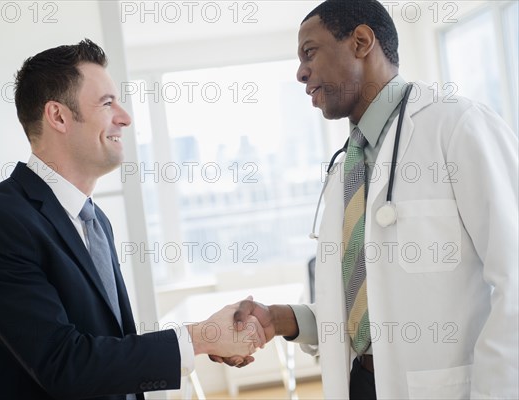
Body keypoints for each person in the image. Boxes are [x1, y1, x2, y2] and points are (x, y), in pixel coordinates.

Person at [212, 1, 519, 399]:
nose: (300, 72)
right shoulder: (348, 165)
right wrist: (281, 319)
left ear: (360, 42)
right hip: (361, 385)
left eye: (310, 52)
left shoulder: (458, 127)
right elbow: (364, 311)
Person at [0, 39, 265, 400]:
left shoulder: (94, 221)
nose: (125, 117)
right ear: (58, 116)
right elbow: (66, 365)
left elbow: (106, 347)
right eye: (108, 103)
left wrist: (207, 339)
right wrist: (198, 338)